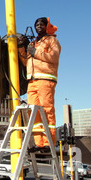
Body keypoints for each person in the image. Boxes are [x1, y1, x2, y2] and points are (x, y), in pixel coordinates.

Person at [18, 17, 61, 153]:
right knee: (33, 112)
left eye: (41, 24)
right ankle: (39, 144)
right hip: (32, 80)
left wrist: (35, 53)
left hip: (46, 79)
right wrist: (21, 48)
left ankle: (49, 143)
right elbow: (26, 62)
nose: (38, 26)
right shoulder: (33, 43)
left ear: (47, 26)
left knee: (47, 110)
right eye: (36, 24)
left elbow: (53, 57)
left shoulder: (52, 40)